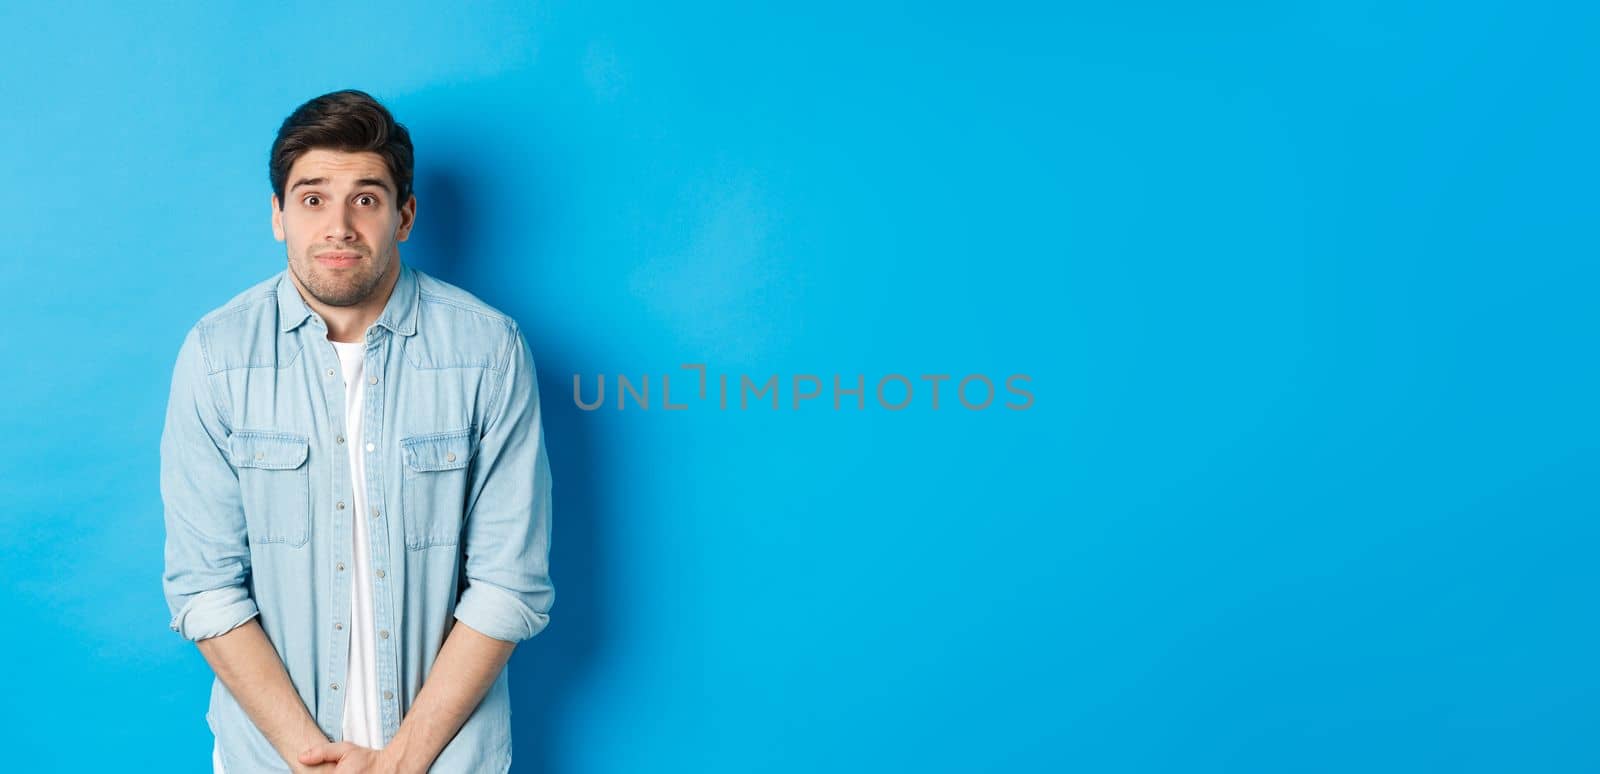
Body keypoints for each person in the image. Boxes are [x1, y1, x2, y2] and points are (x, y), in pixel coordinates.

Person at [160, 89, 554, 773]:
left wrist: (403, 760)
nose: (339, 225)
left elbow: (509, 584)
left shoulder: (490, 351)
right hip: (270, 760)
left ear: (404, 216)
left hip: (447, 761)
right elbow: (205, 587)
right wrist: (306, 757)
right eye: (313, 199)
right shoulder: (216, 356)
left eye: (366, 199)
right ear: (278, 215)